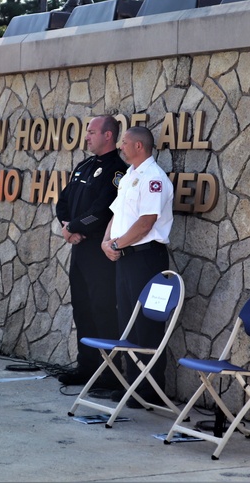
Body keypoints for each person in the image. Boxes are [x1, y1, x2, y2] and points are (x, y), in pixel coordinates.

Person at [101, 125, 174, 404]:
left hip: (145, 257)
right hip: (125, 257)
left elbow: (146, 222)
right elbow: (117, 213)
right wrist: (106, 241)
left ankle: (149, 390)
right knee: (127, 322)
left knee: (147, 324)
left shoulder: (153, 177)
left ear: (139, 146)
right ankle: (133, 385)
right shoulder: (130, 175)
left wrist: (117, 245)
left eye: (125, 143)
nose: (121, 147)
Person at [55, 115, 127, 386]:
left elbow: (104, 209)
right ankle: (86, 368)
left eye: (92, 132)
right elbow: (63, 201)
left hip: (99, 251)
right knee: (82, 307)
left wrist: (73, 226)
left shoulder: (117, 171)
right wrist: (67, 226)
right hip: (79, 249)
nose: (86, 137)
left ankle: (109, 374)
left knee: (103, 309)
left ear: (108, 135)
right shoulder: (83, 167)